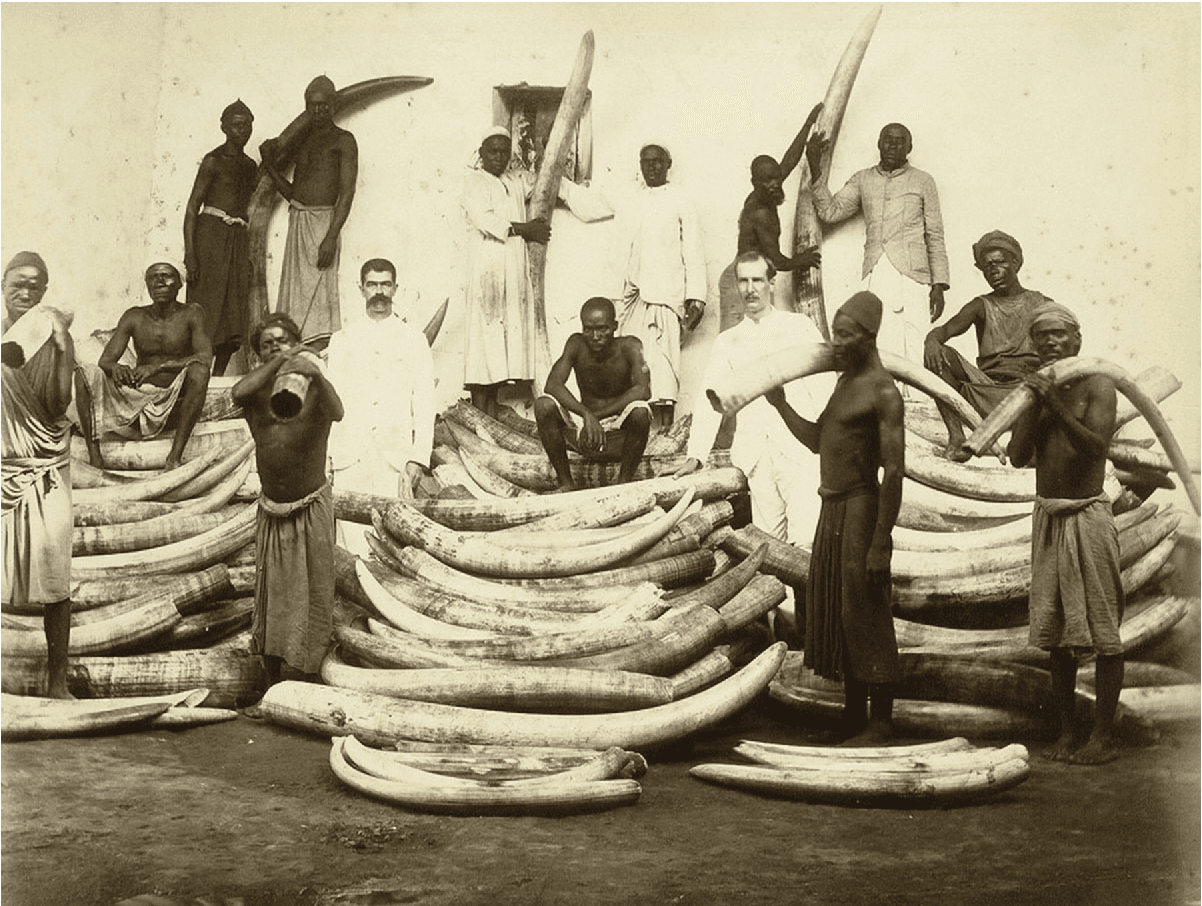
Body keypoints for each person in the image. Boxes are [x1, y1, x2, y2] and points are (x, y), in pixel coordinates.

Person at [768, 291, 905, 745]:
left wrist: (881, 540)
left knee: (865, 611)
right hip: (833, 508)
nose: (837, 343)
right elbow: (815, 440)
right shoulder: (844, 383)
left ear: (870, 337)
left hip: (862, 506)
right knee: (840, 612)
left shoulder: (883, 391)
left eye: (847, 336)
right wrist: (780, 404)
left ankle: (881, 722)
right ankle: (853, 715)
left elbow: (895, 470)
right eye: (835, 334)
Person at [1007, 301, 1124, 765]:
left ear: (1077, 340)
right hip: (1049, 517)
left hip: (1087, 516)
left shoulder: (1099, 384)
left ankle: (1103, 735)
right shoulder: (1032, 392)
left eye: (1060, 335)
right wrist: (1034, 404)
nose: (1052, 343)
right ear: (1033, 345)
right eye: (1043, 336)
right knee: (1056, 634)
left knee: (1102, 631)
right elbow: (1017, 456)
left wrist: (1055, 404)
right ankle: (1068, 732)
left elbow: (1096, 447)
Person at [679, 251, 833, 547]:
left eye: (757, 280)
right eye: (743, 281)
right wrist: (695, 454)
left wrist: (829, 442)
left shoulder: (797, 326)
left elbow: (824, 386)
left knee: (807, 540)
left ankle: (807, 597)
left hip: (800, 452)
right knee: (768, 545)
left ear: (771, 284)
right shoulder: (728, 341)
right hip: (756, 456)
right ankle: (781, 596)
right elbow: (709, 398)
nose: (750, 289)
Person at [233, 312, 344, 687]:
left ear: (296, 342)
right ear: (259, 355)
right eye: (267, 344)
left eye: (282, 340)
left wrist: (313, 371)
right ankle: (272, 683)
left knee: (312, 596)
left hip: (310, 505)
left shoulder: (313, 389)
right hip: (271, 509)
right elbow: (237, 393)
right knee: (273, 600)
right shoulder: (256, 393)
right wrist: (282, 360)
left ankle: (310, 682)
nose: (275, 347)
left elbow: (339, 412)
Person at [807, 123, 950, 368]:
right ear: (879, 143)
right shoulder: (863, 178)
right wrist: (815, 168)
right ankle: (885, 402)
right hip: (876, 269)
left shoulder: (923, 181)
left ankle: (920, 403)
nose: (893, 145)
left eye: (899, 141)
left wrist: (939, 285)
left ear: (909, 147)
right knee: (880, 340)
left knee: (914, 341)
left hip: (913, 275)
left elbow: (934, 234)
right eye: (887, 140)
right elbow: (830, 212)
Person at [1, 251, 76, 698]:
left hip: (45, 465)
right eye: (18, 281)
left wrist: (64, 347)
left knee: (55, 572)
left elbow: (56, 406)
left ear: (45, 289)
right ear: (3, 282)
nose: (26, 291)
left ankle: (57, 682)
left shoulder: (50, 332)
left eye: (36, 284)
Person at [326, 258, 435, 555]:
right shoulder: (342, 340)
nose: (379, 291)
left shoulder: (414, 340)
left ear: (395, 288)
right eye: (372, 284)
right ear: (361, 289)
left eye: (385, 284)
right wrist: (329, 457)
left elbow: (424, 403)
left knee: (391, 541)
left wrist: (417, 459)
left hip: (394, 459)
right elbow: (330, 402)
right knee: (350, 543)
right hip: (351, 457)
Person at [924, 230, 1051, 459]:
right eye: (986, 266)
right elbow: (944, 331)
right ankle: (956, 437)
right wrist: (931, 339)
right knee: (938, 355)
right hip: (986, 391)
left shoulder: (1041, 303)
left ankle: (1029, 440)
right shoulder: (980, 305)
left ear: (1015, 262)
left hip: (1027, 394)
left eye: (999, 262)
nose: (993, 270)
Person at [74, 262, 212, 470]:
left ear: (180, 284)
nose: (160, 281)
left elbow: (204, 357)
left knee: (199, 372)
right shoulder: (134, 316)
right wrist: (117, 368)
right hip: (136, 398)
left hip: (172, 400)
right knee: (84, 373)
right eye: (153, 277)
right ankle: (96, 457)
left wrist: (157, 367)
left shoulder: (192, 313)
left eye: (167, 275)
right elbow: (106, 361)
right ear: (147, 285)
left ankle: (174, 457)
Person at [461, 126, 553, 420]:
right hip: (488, 265)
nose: (498, 157)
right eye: (492, 151)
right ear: (482, 152)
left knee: (502, 338)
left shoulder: (514, 180)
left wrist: (547, 146)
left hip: (512, 267)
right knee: (484, 337)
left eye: (504, 151)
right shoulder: (474, 181)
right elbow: (486, 219)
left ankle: (491, 413)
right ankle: (479, 414)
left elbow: (541, 182)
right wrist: (528, 229)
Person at [260, 75, 358, 350]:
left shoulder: (344, 140)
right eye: (312, 105)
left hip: (324, 224)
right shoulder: (302, 142)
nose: (318, 110)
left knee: (319, 296)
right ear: (306, 107)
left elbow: (347, 192)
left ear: (334, 104)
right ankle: (290, 351)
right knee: (295, 295)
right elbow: (294, 193)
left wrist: (331, 236)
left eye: (324, 104)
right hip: (298, 221)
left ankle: (317, 354)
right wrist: (269, 164)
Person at [615, 142, 707, 429]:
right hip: (633, 296)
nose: (652, 167)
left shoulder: (680, 200)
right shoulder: (631, 199)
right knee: (633, 365)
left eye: (657, 161)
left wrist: (697, 298)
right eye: (646, 162)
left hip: (666, 295)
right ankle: (634, 432)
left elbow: (693, 250)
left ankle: (666, 431)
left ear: (669, 164)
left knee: (664, 366)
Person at [533, 296, 652, 491]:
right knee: (543, 405)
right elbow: (552, 384)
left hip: (617, 431)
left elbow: (643, 389)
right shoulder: (576, 344)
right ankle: (566, 482)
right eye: (588, 329)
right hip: (584, 432)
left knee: (641, 411)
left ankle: (623, 484)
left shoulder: (630, 345)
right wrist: (585, 415)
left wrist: (596, 417)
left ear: (614, 326)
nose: (595, 336)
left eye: (602, 329)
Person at [183, 99, 258, 376]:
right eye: (237, 125)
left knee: (233, 314)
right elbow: (192, 208)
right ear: (224, 127)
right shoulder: (213, 161)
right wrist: (190, 256)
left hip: (237, 241)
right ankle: (197, 376)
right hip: (210, 241)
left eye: (247, 125)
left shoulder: (250, 166)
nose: (242, 130)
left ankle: (217, 379)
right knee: (206, 311)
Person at [735, 104, 825, 277]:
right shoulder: (761, 213)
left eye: (777, 177)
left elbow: (790, 160)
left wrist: (808, 124)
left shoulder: (767, 191)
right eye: (768, 180)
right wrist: (804, 259)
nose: (775, 183)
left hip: (752, 275)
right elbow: (777, 261)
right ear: (754, 183)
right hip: (742, 280)